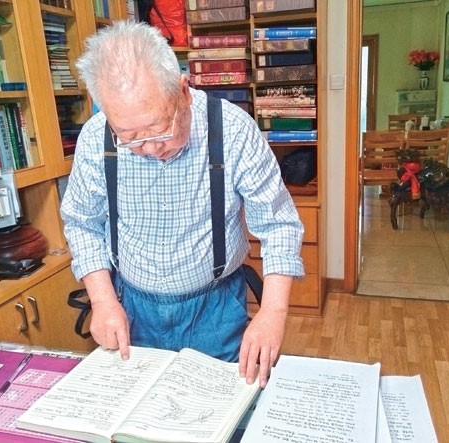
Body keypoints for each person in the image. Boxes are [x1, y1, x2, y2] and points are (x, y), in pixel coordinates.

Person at [60, 20, 304, 388]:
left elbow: (278, 225)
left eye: (160, 129)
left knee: (218, 408)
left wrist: (272, 312)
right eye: (130, 138)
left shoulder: (233, 130)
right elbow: (83, 223)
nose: (150, 149)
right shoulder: (96, 138)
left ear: (184, 91)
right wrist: (102, 300)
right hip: (130, 307)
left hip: (215, 309)